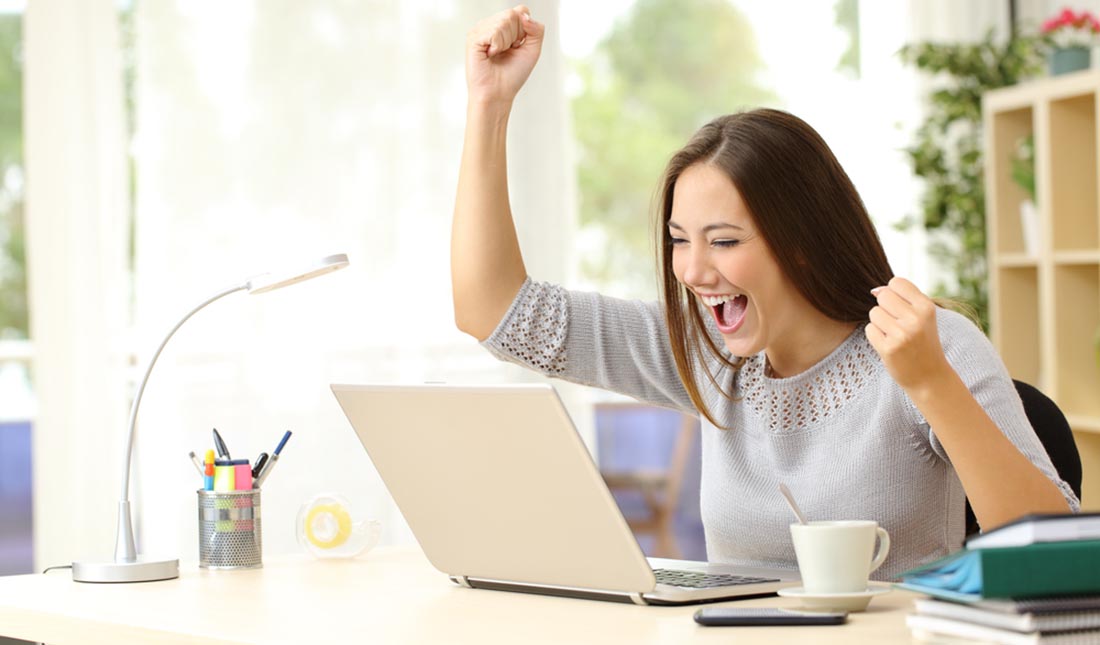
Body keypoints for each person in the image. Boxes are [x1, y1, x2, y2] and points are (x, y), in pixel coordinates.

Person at [451, 6, 1078, 579]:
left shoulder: (929, 348)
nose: (693, 271)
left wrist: (930, 383)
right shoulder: (706, 354)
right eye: (678, 240)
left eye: (723, 241)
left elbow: (1056, 554)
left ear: (803, 241)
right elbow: (494, 312)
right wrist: (490, 103)